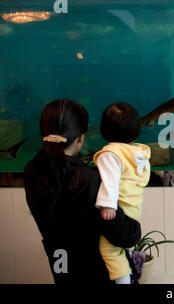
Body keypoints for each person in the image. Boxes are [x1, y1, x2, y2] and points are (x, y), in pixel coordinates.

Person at [24, 99, 141, 284]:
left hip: (61, 269)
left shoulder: (32, 171)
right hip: (96, 273)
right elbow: (126, 235)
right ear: (81, 138)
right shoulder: (87, 179)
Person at [94, 102, 151, 284]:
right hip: (134, 211)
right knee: (121, 248)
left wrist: (108, 204)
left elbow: (110, 180)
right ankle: (130, 268)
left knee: (109, 250)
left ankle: (123, 281)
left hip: (120, 210)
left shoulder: (111, 154)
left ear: (104, 130)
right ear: (136, 132)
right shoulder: (138, 154)